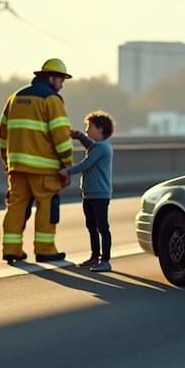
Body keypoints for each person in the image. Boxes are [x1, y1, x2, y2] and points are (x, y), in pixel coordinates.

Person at [0, 59, 74, 263]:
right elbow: (61, 135)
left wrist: (7, 160)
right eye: (61, 79)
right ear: (51, 78)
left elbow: (3, 132)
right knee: (47, 206)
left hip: (17, 166)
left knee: (16, 206)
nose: (62, 84)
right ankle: (45, 250)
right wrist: (67, 164)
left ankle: (11, 249)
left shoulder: (15, 97)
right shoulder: (51, 100)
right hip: (44, 168)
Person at [59, 111, 115, 272]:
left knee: (102, 227)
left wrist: (67, 171)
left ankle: (105, 260)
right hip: (90, 194)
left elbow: (86, 163)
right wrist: (79, 136)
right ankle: (94, 256)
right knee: (91, 226)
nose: (87, 130)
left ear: (100, 129)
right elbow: (90, 146)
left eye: (89, 127)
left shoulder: (102, 147)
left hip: (99, 194)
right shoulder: (98, 146)